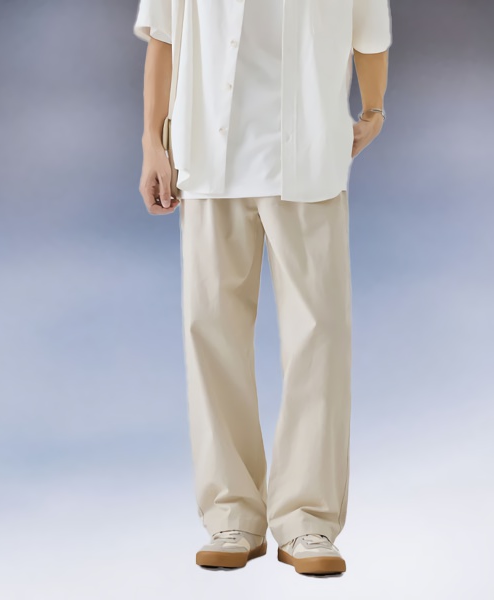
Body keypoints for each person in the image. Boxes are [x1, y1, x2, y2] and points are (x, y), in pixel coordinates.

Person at [133, 0, 391, 576]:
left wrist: (373, 109)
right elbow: (164, 36)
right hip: (208, 157)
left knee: (320, 336)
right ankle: (231, 514)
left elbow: (369, 30)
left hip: (307, 159)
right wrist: (152, 142)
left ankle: (308, 520)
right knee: (211, 335)